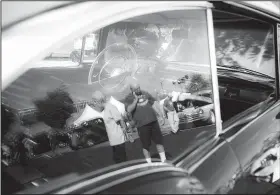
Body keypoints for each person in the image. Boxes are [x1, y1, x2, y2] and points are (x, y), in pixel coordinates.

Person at [125, 82, 166, 163]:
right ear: (131, 89)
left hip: (153, 121)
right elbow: (129, 110)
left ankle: (164, 160)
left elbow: (154, 104)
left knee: (159, 141)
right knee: (145, 145)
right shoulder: (128, 98)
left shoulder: (145, 93)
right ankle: (149, 163)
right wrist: (135, 100)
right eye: (136, 89)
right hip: (142, 125)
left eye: (139, 87)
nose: (138, 90)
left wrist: (161, 116)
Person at [92, 91, 128, 164]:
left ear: (99, 101)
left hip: (118, 139)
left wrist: (125, 131)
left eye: (95, 102)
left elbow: (120, 119)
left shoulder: (110, 107)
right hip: (113, 141)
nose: (94, 105)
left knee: (122, 161)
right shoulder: (105, 109)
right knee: (117, 160)